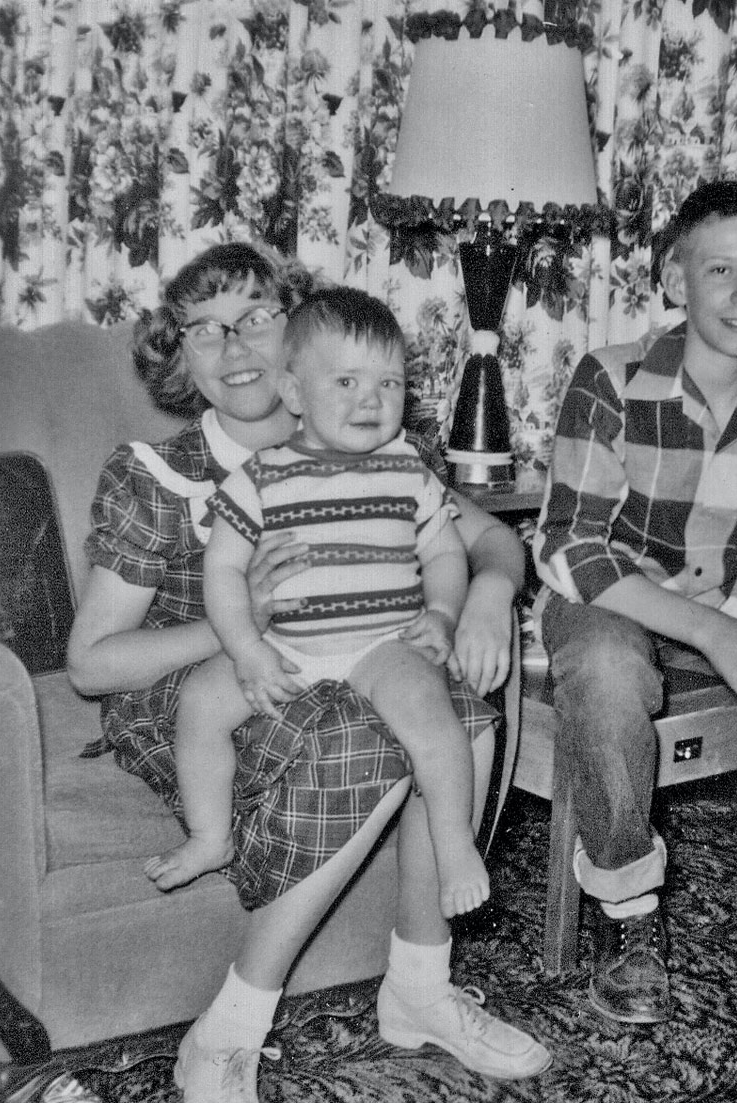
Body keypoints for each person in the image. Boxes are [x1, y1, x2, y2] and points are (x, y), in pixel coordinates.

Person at [67, 245, 550, 1103]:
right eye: (205, 329)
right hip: (195, 692)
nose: (233, 345)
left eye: (254, 316)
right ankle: (226, 1032)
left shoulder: (358, 433)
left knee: (457, 711)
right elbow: (92, 665)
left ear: (296, 330)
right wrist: (242, 621)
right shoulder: (159, 473)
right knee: (372, 732)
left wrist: (487, 596)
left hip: (344, 665)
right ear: (181, 354)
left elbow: (483, 540)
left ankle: (420, 984)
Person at [532, 180, 737, 1024]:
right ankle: (625, 903)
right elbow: (571, 547)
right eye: (720, 270)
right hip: (614, 597)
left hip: (736, 589)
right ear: (676, 280)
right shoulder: (610, 376)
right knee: (607, 670)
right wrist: (715, 634)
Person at [145, 287, 489, 922]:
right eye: (347, 382)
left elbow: (445, 553)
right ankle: (210, 835)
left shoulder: (409, 469)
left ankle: (455, 844)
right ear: (295, 393)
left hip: (383, 644)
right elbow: (222, 569)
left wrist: (442, 613)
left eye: (389, 383)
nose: (372, 400)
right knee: (200, 703)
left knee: (433, 719)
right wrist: (247, 649)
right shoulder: (262, 475)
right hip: (287, 644)